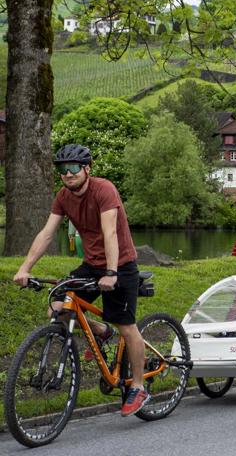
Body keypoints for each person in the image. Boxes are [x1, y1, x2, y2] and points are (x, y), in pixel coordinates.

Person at [12, 144, 151, 417]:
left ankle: (138, 385)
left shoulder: (104, 189)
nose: (67, 174)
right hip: (91, 265)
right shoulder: (63, 196)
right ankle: (101, 331)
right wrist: (24, 268)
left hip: (120, 264)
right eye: (62, 169)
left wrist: (111, 273)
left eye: (73, 168)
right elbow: (47, 233)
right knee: (57, 309)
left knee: (126, 326)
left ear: (87, 168)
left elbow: (109, 232)